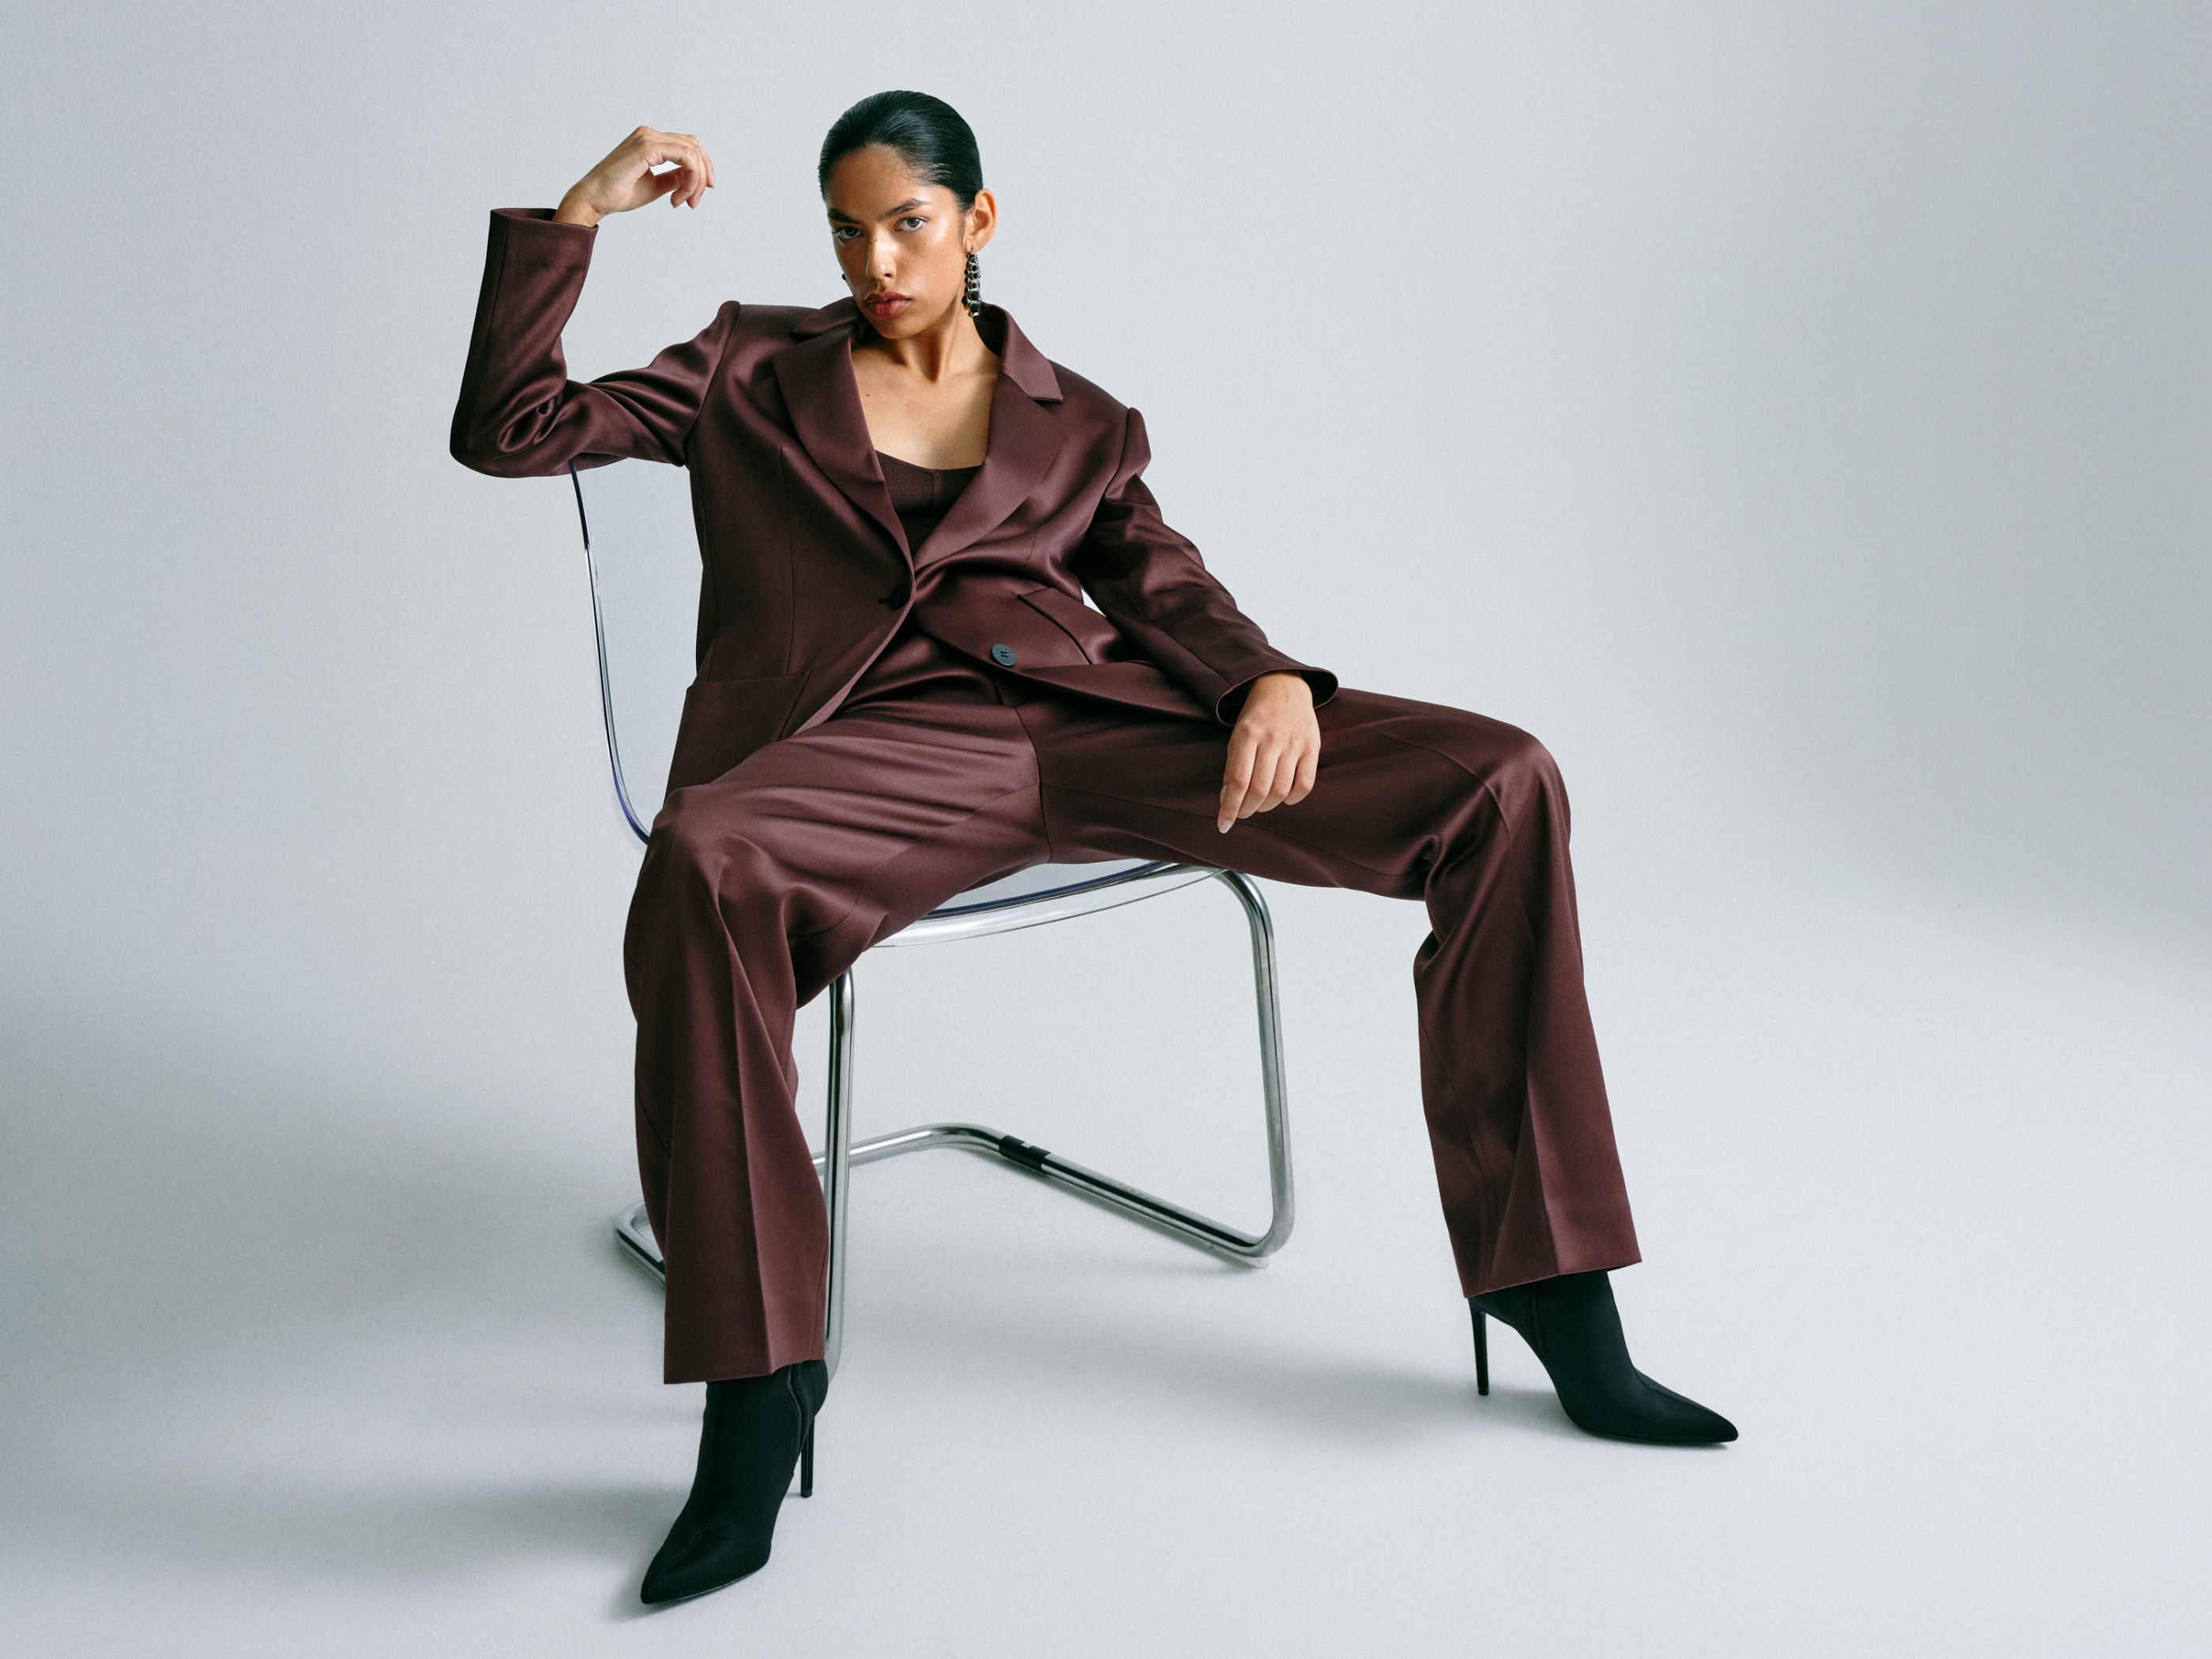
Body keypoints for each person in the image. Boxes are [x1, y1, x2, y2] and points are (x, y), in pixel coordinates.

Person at [450, 90, 1737, 1608]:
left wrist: (1262, 678)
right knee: (705, 864)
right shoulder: (746, 368)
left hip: (1094, 724)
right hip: (867, 756)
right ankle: (760, 1390)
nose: (878, 259)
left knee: (1500, 781)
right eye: (848, 230)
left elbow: (1164, 581)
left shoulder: (1082, 418)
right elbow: (510, 430)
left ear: (978, 222)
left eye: (908, 224)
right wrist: (575, 220)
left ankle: (1550, 1283)